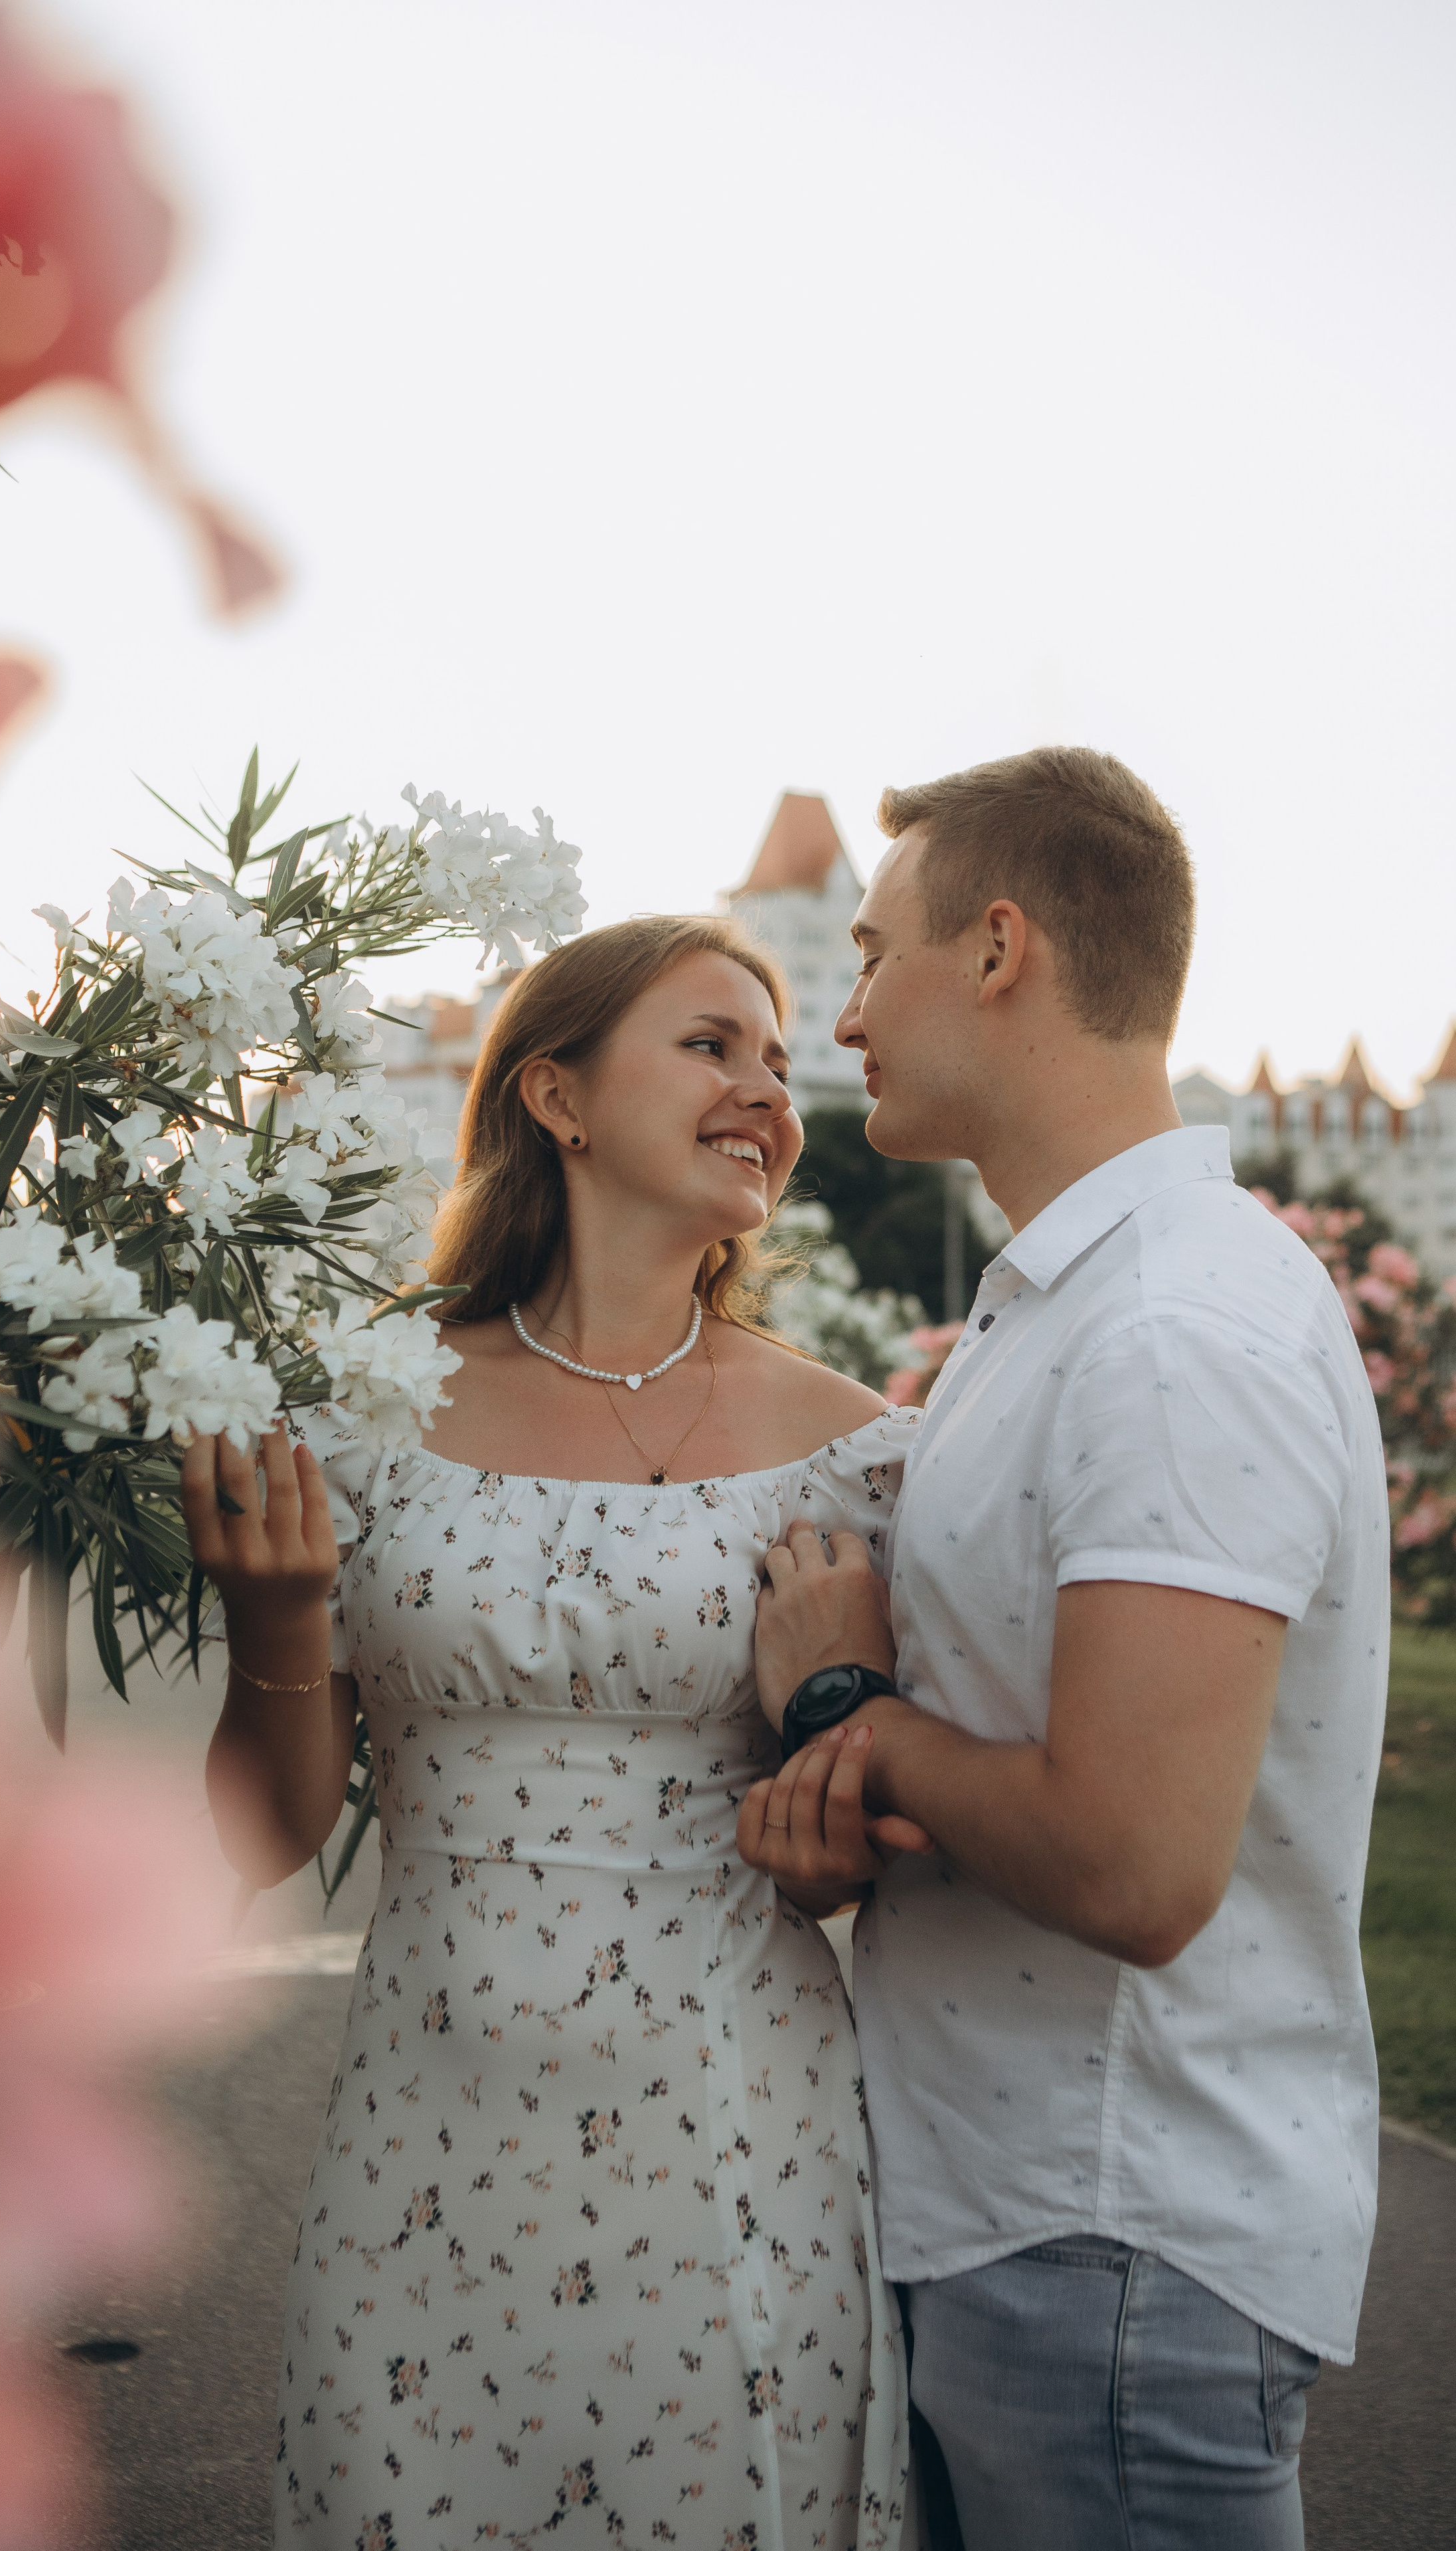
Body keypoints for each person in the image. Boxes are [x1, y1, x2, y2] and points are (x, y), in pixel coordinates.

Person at [183, 915, 926, 2551]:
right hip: (430, 2126)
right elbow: (263, 1834)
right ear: (556, 1096)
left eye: (779, 1064)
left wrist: (830, 1819)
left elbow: (885, 1848)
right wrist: (279, 1621)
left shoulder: (855, 1457)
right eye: (711, 1043)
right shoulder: (371, 1411)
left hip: (738, 2119)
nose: (765, 1092)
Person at [738, 746, 1389, 2551]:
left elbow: (1133, 1858)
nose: (843, 1012)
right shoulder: (1075, 1302)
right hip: (1024, 2221)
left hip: (1117, 2247)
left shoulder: (1176, 1324)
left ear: (1002, 948)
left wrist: (849, 1712)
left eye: (871, 956)